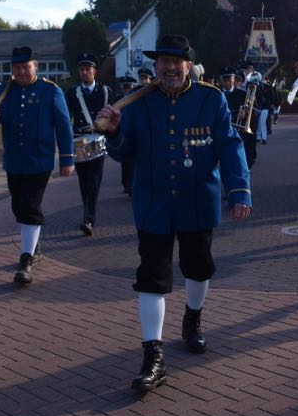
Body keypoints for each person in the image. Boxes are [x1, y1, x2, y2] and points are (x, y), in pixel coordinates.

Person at [96, 35, 252, 393]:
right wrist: (116, 131)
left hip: (197, 201)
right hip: (153, 203)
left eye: (175, 61)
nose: (167, 67)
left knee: (199, 269)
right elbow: (123, 154)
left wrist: (239, 188)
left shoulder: (211, 100)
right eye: (162, 60)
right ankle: (154, 355)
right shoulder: (138, 102)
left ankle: (192, 317)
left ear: (188, 65)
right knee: (151, 276)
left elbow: (229, 147)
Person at [0, 46, 74, 285]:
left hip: (39, 160)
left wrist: (67, 159)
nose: (22, 72)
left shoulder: (50, 91)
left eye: (26, 67)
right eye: (17, 68)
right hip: (14, 160)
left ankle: (26, 261)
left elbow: (63, 127)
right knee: (18, 206)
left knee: (30, 206)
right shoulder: (5, 90)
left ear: (36, 66)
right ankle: (34, 243)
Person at [64, 53, 114, 235]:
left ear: (95, 71)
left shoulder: (106, 92)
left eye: (88, 68)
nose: (84, 72)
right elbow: (65, 119)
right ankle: (88, 213)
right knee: (84, 182)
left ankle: (88, 218)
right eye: (82, 69)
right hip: (79, 142)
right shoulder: (71, 93)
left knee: (94, 180)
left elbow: (115, 115)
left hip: (98, 141)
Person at [114, 75, 138, 195]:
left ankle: (132, 185)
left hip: (135, 133)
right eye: (124, 87)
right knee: (125, 161)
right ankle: (127, 184)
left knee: (134, 162)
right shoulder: (118, 100)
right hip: (123, 133)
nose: (126, 89)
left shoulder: (137, 100)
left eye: (128, 86)